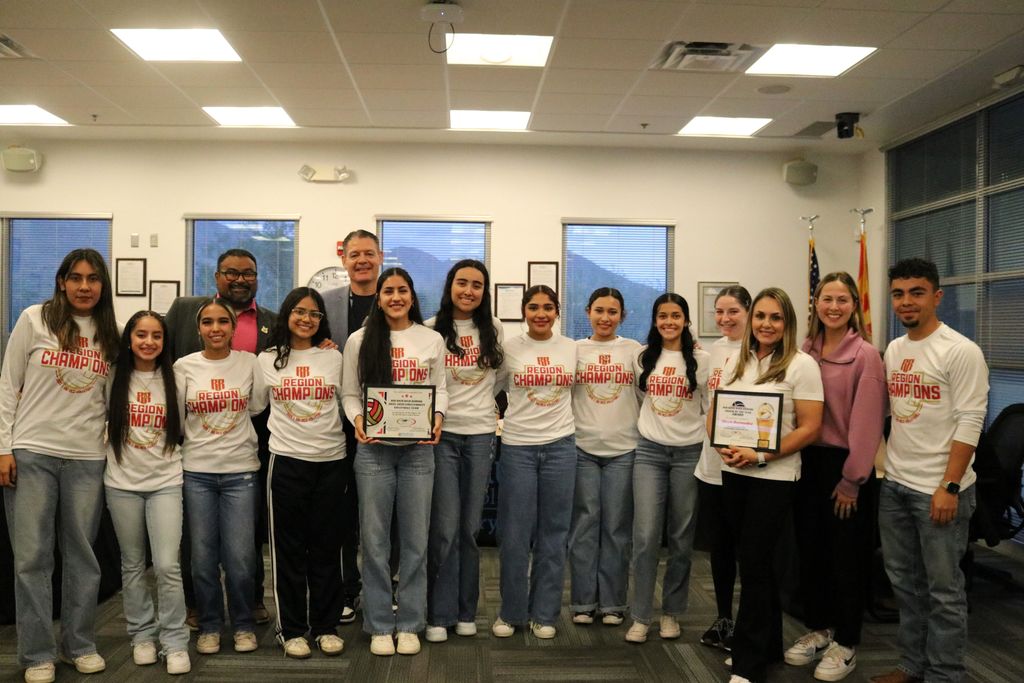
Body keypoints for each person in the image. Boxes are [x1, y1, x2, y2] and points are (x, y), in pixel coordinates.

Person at [0, 248, 119, 683]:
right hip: (32, 452)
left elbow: (113, 402)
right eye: (75, 278)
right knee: (31, 559)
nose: (84, 286)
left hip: (87, 459)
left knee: (83, 559)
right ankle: (36, 655)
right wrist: (3, 448)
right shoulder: (34, 319)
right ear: (61, 281)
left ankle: (79, 645)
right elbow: (8, 384)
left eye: (92, 279)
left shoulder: (112, 334)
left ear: (102, 285)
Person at [872, 259, 988, 683]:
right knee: (904, 585)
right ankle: (912, 664)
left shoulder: (961, 350)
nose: (907, 302)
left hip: (939, 489)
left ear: (936, 296)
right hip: (897, 485)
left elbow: (971, 422)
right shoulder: (897, 349)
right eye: (899, 293)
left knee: (944, 591)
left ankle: (945, 673)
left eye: (917, 292)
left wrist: (950, 485)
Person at [711, 287, 823, 683]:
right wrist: (724, 447)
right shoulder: (737, 362)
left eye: (775, 317)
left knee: (755, 565)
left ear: (787, 323)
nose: (766, 324)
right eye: (760, 316)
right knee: (754, 562)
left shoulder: (801, 365)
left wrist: (760, 455)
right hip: (735, 472)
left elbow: (810, 427)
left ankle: (748, 660)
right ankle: (767, 644)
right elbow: (718, 412)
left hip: (774, 477)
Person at [164, 248, 276, 627]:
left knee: (246, 543)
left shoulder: (271, 323)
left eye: (248, 273)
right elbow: (151, 348)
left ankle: (250, 606)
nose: (240, 279)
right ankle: (200, 608)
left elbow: (262, 398)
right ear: (216, 277)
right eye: (231, 273)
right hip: (196, 451)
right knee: (198, 546)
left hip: (249, 447)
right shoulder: (184, 311)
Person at [784, 272, 886, 682]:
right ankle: (820, 629)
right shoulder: (803, 350)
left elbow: (867, 425)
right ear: (816, 304)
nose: (833, 307)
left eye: (842, 300)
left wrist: (852, 479)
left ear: (854, 307)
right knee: (812, 552)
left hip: (847, 466)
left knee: (847, 557)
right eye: (827, 299)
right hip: (805, 463)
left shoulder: (866, 355)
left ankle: (847, 640)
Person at [341, 268, 447, 657]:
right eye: (389, 291)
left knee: (416, 541)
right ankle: (380, 623)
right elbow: (350, 394)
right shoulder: (359, 340)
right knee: (374, 541)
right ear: (379, 297)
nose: (396, 297)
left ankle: (410, 623)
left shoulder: (431, 339)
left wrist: (437, 419)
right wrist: (357, 422)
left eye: (403, 290)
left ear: (412, 297)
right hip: (374, 451)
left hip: (419, 450)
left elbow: (442, 391)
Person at [256, 287, 348, 659]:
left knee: (327, 550)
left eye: (314, 313)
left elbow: (350, 402)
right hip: (287, 461)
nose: (306, 319)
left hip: (331, 461)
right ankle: (291, 629)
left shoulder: (335, 358)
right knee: (288, 550)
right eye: (299, 312)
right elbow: (254, 407)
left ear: (321, 319)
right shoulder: (265, 360)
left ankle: (325, 626)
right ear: (286, 315)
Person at [174, 299, 267, 656]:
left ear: (233, 327)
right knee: (201, 557)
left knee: (241, 557)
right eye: (208, 322)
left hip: (240, 472)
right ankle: (210, 625)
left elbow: (257, 405)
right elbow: (179, 417)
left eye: (223, 322)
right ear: (199, 329)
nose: (216, 328)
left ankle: (243, 624)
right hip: (196, 471)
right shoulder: (184, 366)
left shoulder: (250, 363)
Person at [104, 311, 191, 675]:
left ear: (164, 341)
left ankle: (174, 641)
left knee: (168, 566)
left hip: (165, 482)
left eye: (156, 336)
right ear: (129, 339)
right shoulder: (111, 378)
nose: (149, 342)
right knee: (133, 564)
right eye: (141, 334)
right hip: (121, 484)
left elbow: (186, 425)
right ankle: (141, 635)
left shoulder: (178, 378)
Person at [424, 260, 504, 643]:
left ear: (484, 291)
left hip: (480, 435)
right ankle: (439, 613)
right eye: (462, 283)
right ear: (449, 285)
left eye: (476, 285)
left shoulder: (494, 329)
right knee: (444, 530)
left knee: (469, 531)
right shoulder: (429, 329)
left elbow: (500, 377)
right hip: (442, 437)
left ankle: (466, 611)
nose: (468, 290)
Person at [492, 285, 577, 640]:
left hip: (561, 446)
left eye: (548, 307)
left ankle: (544, 613)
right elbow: (490, 387)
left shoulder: (573, 348)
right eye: (533, 307)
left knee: (554, 535)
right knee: (514, 535)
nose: (540, 313)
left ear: (557, 311)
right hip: (517, 448)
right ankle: (511, 613)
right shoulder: (508, 348)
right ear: (523, 310)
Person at [625, 293, 709, 644]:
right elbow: (643, 399)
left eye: (676, 316)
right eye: (663, 316)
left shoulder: (702, 360)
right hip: (649, 453)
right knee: (644, 537)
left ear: (686, 320)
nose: (669, 322)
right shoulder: (642, 357)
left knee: (680, 538)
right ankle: (641, 616)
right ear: (655, 320)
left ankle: (671, 613)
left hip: (688, 454)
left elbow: (708, 406)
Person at [568, 288, 640, 627]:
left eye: (613, 312)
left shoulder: (635, 352)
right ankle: (583, 602)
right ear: (587, 312)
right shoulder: (574, 350)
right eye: (599, 310)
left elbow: (649, 392)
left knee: (616, 528)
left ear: (623, 316)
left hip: (624, 449)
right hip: (582, 448)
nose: (605, 317)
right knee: (584, 526)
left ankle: (612, 603)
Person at [323, 229, 384, 623]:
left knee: (382, 514)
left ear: (380, 257)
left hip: (390, 421)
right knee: (343, 513)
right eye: (354, 254)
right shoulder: (326, 303)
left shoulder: (397, 297)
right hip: (339, 423)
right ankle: (347, 590)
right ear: (343, 258)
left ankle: (385, 587)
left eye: (369, 253)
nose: (362, 260)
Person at [694, 285, 751, 653]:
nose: (725, 319)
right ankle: (723, 618)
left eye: (733, 311)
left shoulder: (758, 351)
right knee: (720, 550)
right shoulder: (713, 352)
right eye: (719, 312)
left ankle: (748, 623)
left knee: (747, 550)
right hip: (710, 466)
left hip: (744, 467)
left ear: (748, 310)